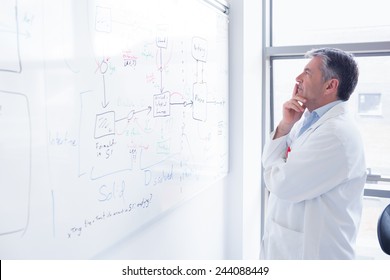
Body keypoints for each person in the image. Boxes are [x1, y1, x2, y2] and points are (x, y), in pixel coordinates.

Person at [260, 48, 367, 259]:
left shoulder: (336, 134)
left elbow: (281, 184)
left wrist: (277, 167)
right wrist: (286, 125)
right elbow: (273, 163)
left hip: (314, 254)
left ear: (330, 85)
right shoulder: (308, 121)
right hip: (289, 243)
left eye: (307, 73)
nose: (298, 78)